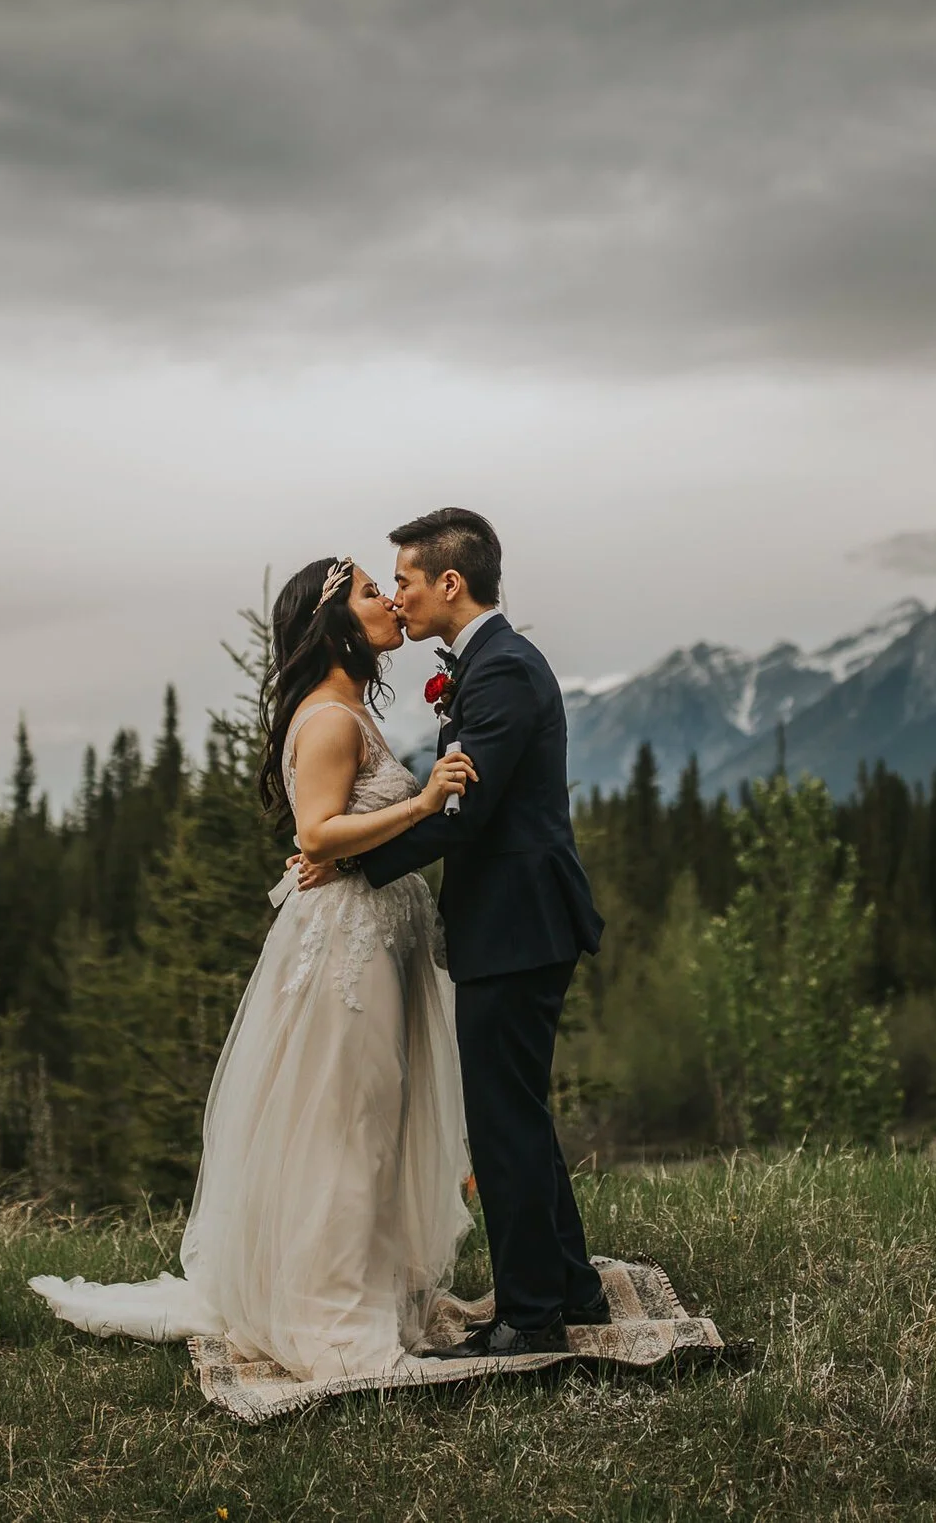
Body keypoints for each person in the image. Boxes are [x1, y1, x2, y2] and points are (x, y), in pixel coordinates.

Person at [29, 555, 477, 1381]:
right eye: (371, 592)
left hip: (375, 933)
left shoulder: (343, 712)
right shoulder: (331, 719)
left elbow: (334, 832)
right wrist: (419, 805)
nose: (388, 601)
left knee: (372, 1119)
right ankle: (330, 1306)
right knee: (349, 1122)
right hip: (352, 946)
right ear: (334, 622)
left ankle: (362, 1282)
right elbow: (316, 834)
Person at [343, 506, 610, 1358]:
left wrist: (354, 865)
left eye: (408, 580)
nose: (398, 596)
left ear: (450, 582)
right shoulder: (495, 665)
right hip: (517, 921)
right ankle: (572, 1286)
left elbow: (463, 812)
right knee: (517, 1114)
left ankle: (532, 1317)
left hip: (519, 925)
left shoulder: (502, 673)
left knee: (501, 1124)